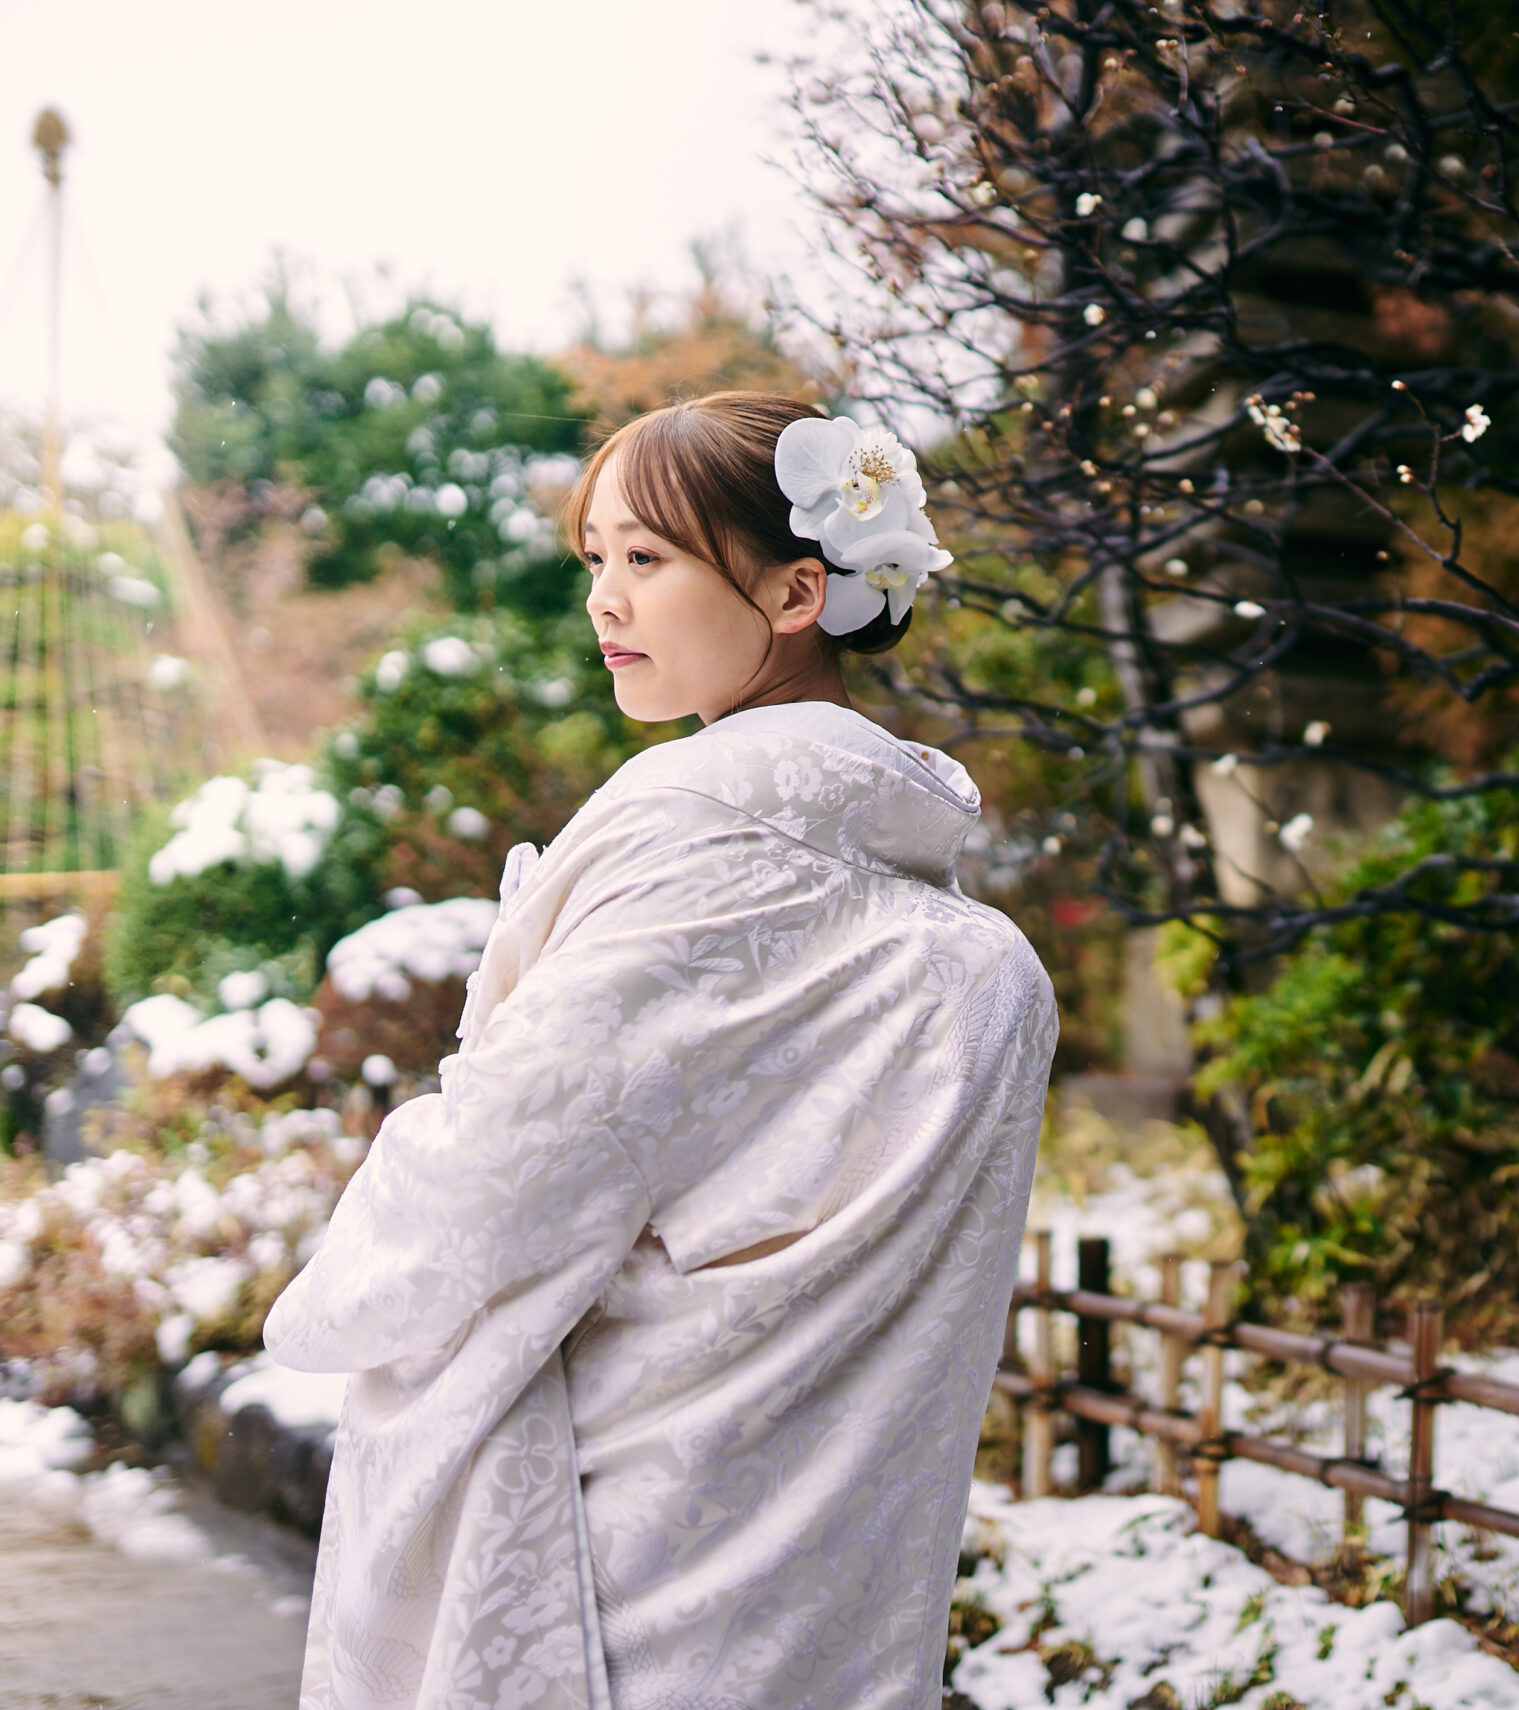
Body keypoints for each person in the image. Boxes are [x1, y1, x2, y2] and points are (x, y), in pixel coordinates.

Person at [264, 391, 1056, 1710]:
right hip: (817, 1573)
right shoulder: (955, 925)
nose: (605, 601)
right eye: (594, 560)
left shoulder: (700, 829)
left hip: (612, 1557)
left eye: (649, 557)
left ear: (799, 591)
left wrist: (327, 1290)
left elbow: (511, 1167)